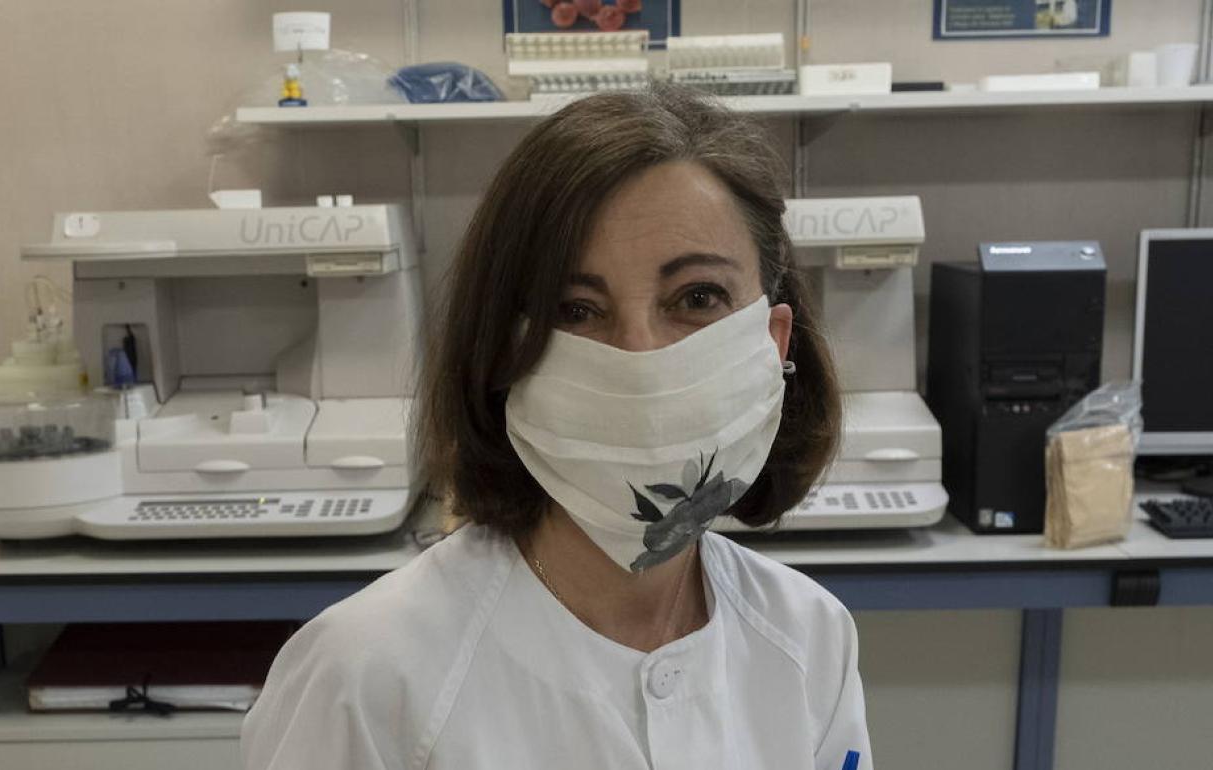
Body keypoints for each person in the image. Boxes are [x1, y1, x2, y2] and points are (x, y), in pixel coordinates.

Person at [242, 84, 872, 770]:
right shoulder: (366, 676)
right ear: (505, 353)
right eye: (575, 309)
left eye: (697, 298)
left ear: (774, 342)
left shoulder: (809, 637)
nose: (640, 361)